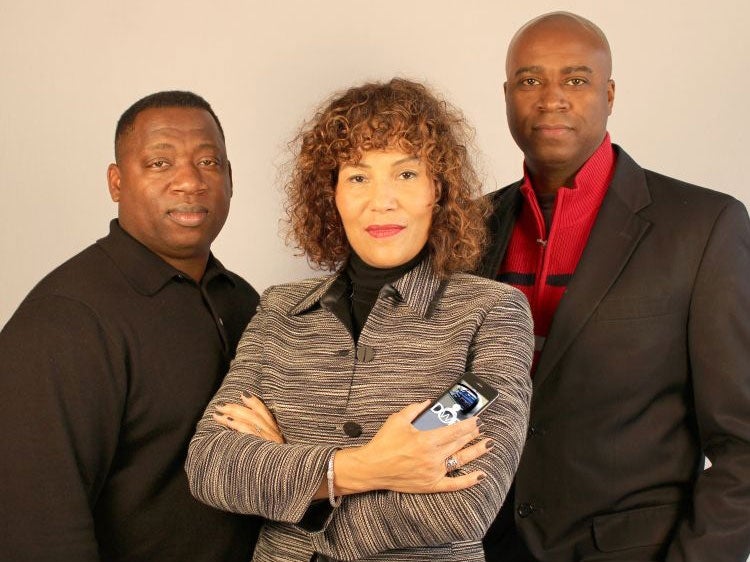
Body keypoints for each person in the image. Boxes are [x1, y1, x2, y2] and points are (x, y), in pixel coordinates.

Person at [186, 78, 534, 562]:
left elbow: (464, 502)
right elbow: (213, 466)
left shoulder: (489, 316)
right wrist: (367, 467)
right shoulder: (280, 312)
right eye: (357, 176)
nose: (381, 200)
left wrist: (304, 500)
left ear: (438, 187)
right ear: (331, 193)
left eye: (406, 174)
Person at [478, 11, 750, 562]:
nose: (551, 98)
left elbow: (743, 442)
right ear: (507, 95)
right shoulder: (470, 228)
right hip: (479, 547)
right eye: (530, 80)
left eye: (576, 80)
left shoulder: (702, 227)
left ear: (610, 93)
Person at [0, 91, 262, 561]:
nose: (189, 181)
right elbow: (36, 526)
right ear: (117, 182)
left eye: (208, 162)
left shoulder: (245, 302)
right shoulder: (66, 319)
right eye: (160, 163)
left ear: (229, 177)